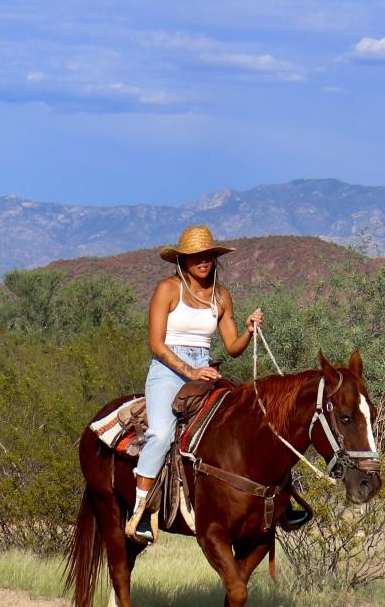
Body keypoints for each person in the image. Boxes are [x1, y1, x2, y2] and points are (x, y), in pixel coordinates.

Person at [125, 225, 307, 543]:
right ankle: (140, 511)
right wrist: (188, 370)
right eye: (196, 256)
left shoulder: (221, 296)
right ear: (182, 260)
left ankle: (283, 501)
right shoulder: (168, 289)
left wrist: (249, 330)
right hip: (168, 369)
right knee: (162, 432)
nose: (203, 261)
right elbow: (156, 344)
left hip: (206, 369)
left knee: (252, 422)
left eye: (207, 255)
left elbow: (232, 347)